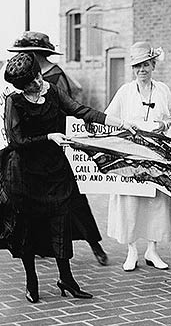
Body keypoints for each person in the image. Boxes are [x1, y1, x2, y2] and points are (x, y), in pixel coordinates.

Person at [0, 52, 135, 303]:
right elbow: (16, 141)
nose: (38, 83)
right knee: (28, 228)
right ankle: (32, 280)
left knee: (61, 223)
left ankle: (67, 279)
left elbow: (79, 110)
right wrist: (49, 137)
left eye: (38, 77)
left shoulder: (51, 91)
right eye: (31, 83)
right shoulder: (14, 102)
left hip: (56, 170)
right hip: (25, 174)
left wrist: (118, 123)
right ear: (21, 86)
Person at [6, 31, 108, 266]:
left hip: (56, 143)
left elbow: (68, 107)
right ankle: (44, 244)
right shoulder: (22, 80)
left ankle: (94, 243)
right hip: (34, 149)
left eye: (25, 53)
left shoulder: (55, 76)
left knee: (73, 200)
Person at [106, 42, 171, 271]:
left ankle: (152, 250)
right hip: (131, 156)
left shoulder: (162, 90)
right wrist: (125, 128)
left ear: (153, 65)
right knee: (130, 202)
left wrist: (163, 123)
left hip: (156, 155)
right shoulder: (125, 91)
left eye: (146, 64)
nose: (142, 70)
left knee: (155, 202)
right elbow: (109, 117)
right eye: (137, 66)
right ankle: (131, 251)